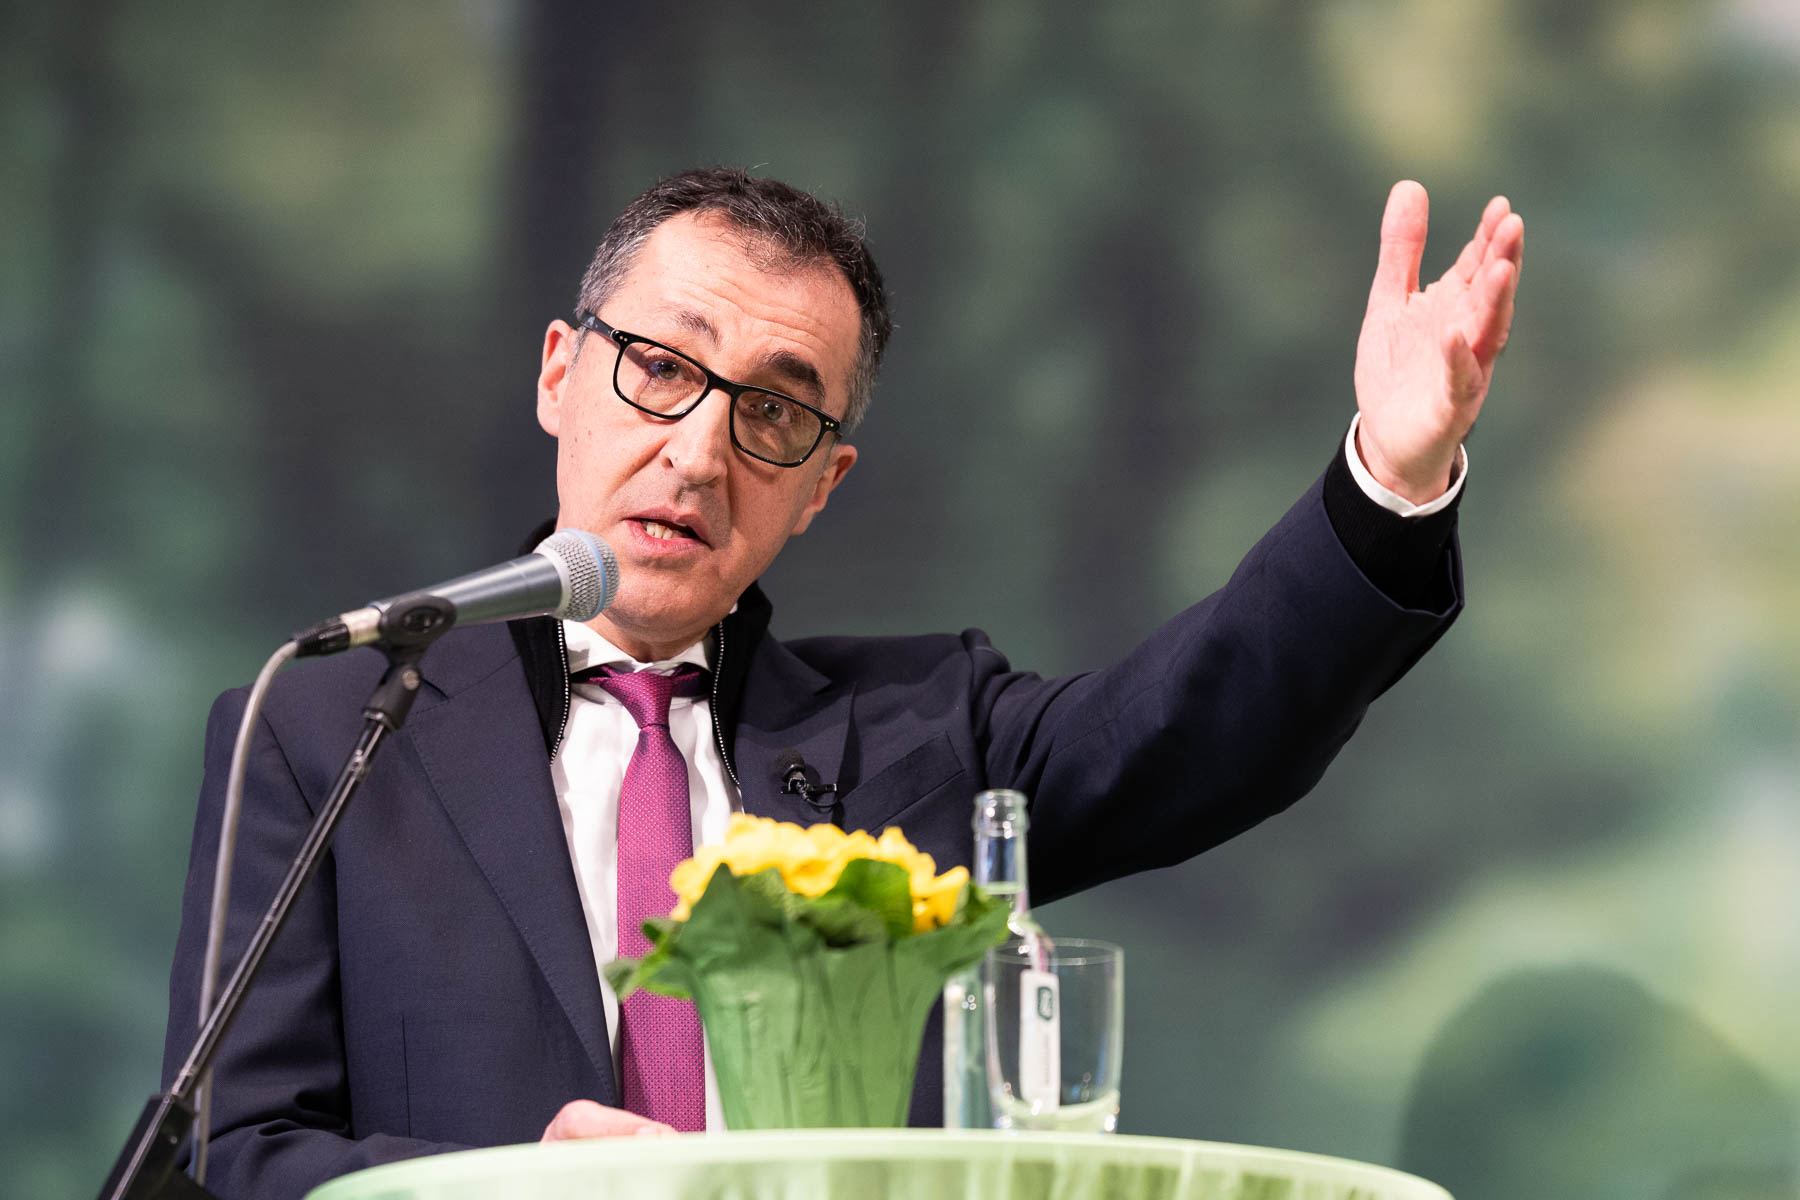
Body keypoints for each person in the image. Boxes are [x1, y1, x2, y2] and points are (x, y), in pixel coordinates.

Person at [163, 167, 1523, 1198]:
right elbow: (231, 1152)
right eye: (660, 369)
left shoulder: (926, 737)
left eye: (774, 408)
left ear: (823, 484)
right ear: (562, 374)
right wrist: (516, 1187)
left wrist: (1390, 478)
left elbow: (1200, 724)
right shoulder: (331, 730)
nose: (701, 452)